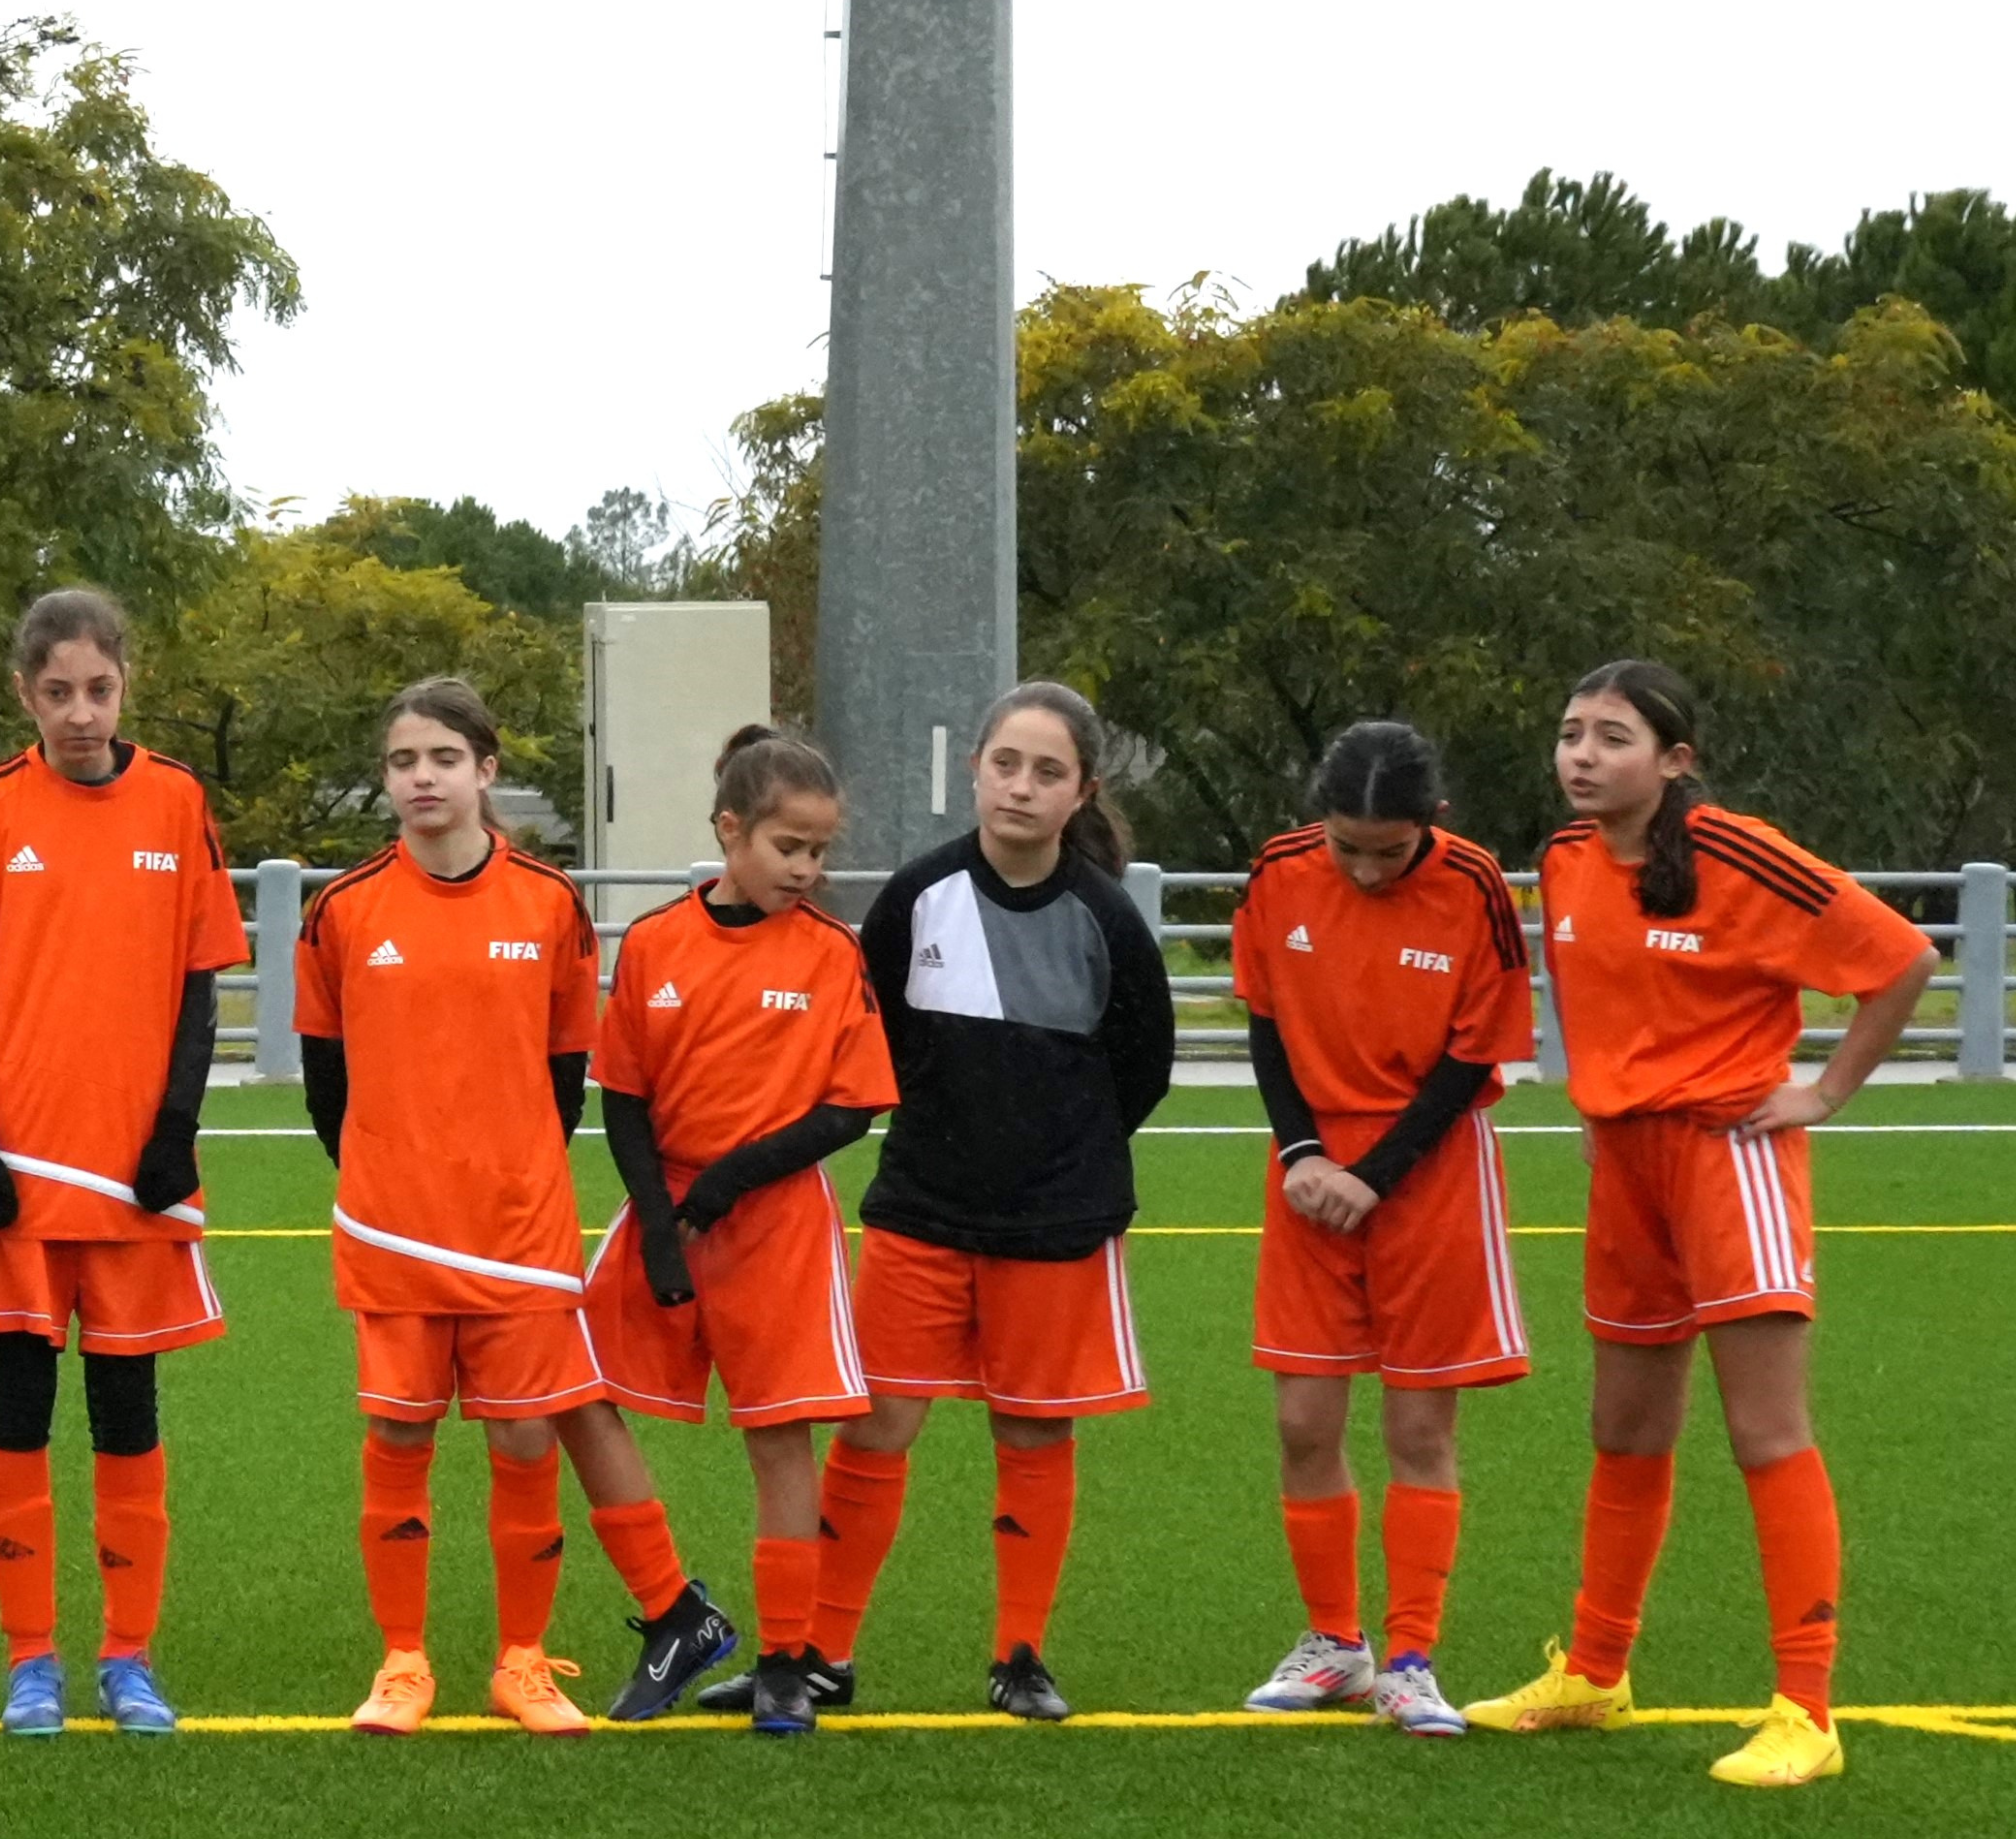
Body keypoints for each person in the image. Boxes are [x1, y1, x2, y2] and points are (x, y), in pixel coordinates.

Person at [1475, 660, 1930, 1787]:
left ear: (1673, 762)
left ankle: (1805, 1710)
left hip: (1730, 1164)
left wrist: (1820, 1094)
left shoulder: (1737, 851)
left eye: (1611, 738)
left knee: (1763, 1431)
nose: (1580, 755)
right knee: (1622, 1426)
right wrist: (1600, 1108)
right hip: (1625, 1169)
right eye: (1570, 733)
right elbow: (1593, 997)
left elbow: (1901, 957)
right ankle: (1593, 1670)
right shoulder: (1564, 859)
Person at [291, 680, 715, 1735]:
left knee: (524, 1440)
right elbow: (323, 1082)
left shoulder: (547, 903)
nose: (420, 777)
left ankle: (521, 1663)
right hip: (392, 1223)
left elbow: (565, 1070)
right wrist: (389, 1170)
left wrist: (504, 1162)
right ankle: (401, 1664)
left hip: (516, 1229)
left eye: (442, 756)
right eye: (401, 761)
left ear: (486, 770)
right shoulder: (341, 910)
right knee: (396, 1433)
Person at [0, 586, 245, 1735]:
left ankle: (127, 1656)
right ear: (22, 693)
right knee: (17, 1412)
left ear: (125, 684)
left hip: (131, 1181)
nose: (77, 711)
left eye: (95, 688)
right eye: (54, 691)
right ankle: (29, 1661)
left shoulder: (176, 802)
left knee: (126, 1412)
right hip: (17, 1174)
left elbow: (200, 983)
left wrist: (172, 1131)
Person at [823, 681, 1175, 1724]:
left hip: (1052, 1222)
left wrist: (1052, 1156)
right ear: (972, 768)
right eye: (1005, 763)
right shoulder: (914, 896)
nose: (1020, 786)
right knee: (876, 1425)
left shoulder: (1102, 917)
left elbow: (1138, 1066)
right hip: (920, 1207)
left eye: (1046, 771)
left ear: (1081, 791)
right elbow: (870, 1033)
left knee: (1031, 1432)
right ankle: (823, 1651)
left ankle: (1018, 1654)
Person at [1225, 720, 1537, 1737]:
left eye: (1386, 850)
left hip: (1429, 1173)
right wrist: (1301, 1156)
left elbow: (1472, 1055)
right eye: (1342, 845)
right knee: (1301, 1421)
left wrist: (1377, 1174)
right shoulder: (1275, 873)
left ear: (1430, 825)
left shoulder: (1477, 886)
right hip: (1312, 1175)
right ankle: (1333, 1645)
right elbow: (1264, 1024)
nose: (1361, 868)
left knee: (1415, 1425)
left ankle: (1408, 1659)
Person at [589, 727, 883, 1732]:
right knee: (567, 1385)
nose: (804, 869)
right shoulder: (657, 943)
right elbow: (621, 1098)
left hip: (775, 1225)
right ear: (728, 830)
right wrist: (666, 1232)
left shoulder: (829, 954)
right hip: (663, 1213)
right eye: (785, 847)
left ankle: (787, 1662)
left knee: (778, 1439)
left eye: (816, 851)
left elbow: (849, 1109)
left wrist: (722, 1185)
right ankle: (676, 1608)